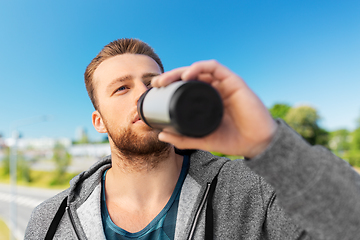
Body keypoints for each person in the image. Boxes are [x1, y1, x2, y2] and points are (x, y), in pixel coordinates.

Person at [25, 38, 360, 240]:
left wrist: (268, 144)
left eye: (153, 83)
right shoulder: (51, 219)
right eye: (122, 88)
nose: (142, 94)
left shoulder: (251, 191)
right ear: (98, 122)